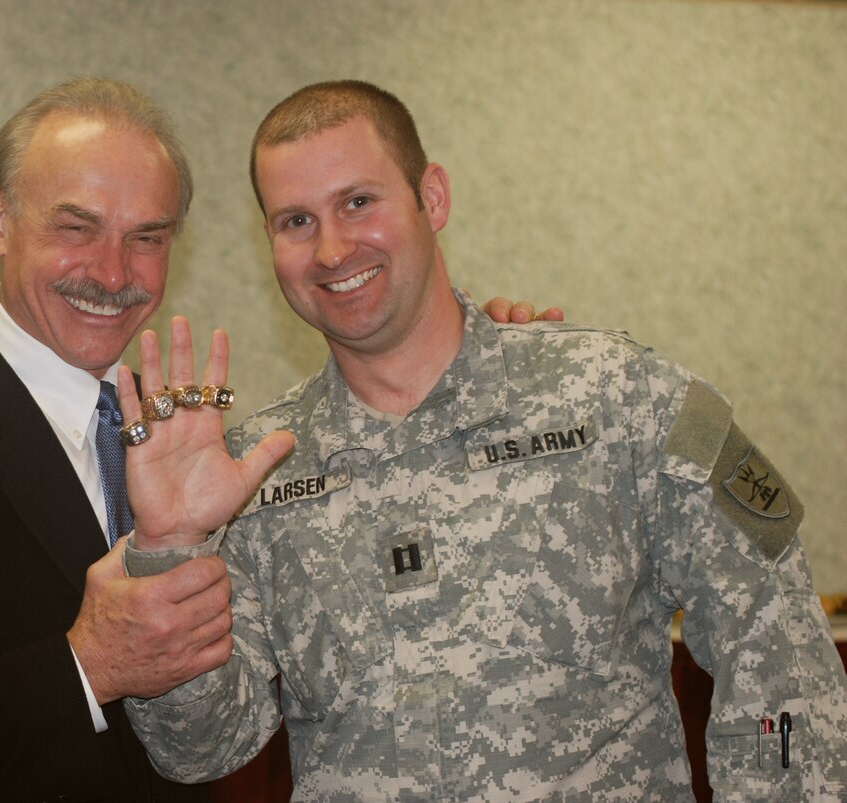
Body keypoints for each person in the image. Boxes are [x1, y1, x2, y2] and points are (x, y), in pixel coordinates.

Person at [0, 77, 550, 803]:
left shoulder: (191, 449)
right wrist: (84, 668)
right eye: (77, 226)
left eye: (148, 236)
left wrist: (484, 362)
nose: (110, 270)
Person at [119, 80, 847, 800]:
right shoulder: (260, 470)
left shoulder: (617, 397)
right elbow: (201, 748)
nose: (333, 247)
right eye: (295, 221)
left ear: (431, 197)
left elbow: (781, 655)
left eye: (358, 201)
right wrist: (172, 548)